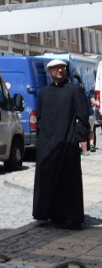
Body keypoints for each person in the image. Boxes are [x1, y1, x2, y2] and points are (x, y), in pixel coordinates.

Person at [32, 59, 90, 230]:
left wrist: (76, 137)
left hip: (67, 142)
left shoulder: (74, 89)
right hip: (47, 144)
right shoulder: (44, 92)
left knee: (68, 181)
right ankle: (49, 213)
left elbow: (83, 115)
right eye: (56, 68)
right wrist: (41, 137)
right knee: (48, 177)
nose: (60, 70)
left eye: (62, 67)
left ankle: (71, 217)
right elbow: (41, 117)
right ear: (49, 71)